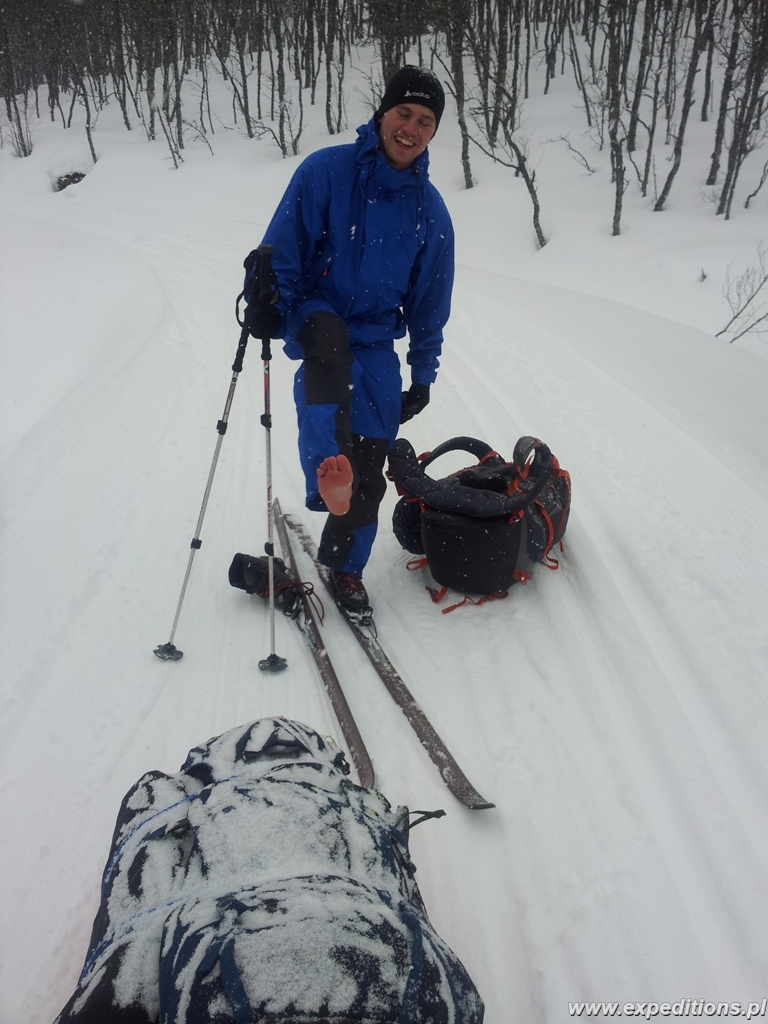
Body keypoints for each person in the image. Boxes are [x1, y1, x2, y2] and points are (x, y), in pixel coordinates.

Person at [248, 66, 455, 614]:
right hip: (313, 312)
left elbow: (431, 301)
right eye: (404, 114)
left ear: (433, 132)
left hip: (376, 338)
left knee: (371, 455)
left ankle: (346, 564)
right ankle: (327, 472)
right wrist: (271, 303)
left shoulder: (430, 211)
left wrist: (423, 374)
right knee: (329, 348)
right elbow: (283, 246)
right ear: (382, 114)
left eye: (425, 121)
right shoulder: (327, 171)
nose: (411, 129)